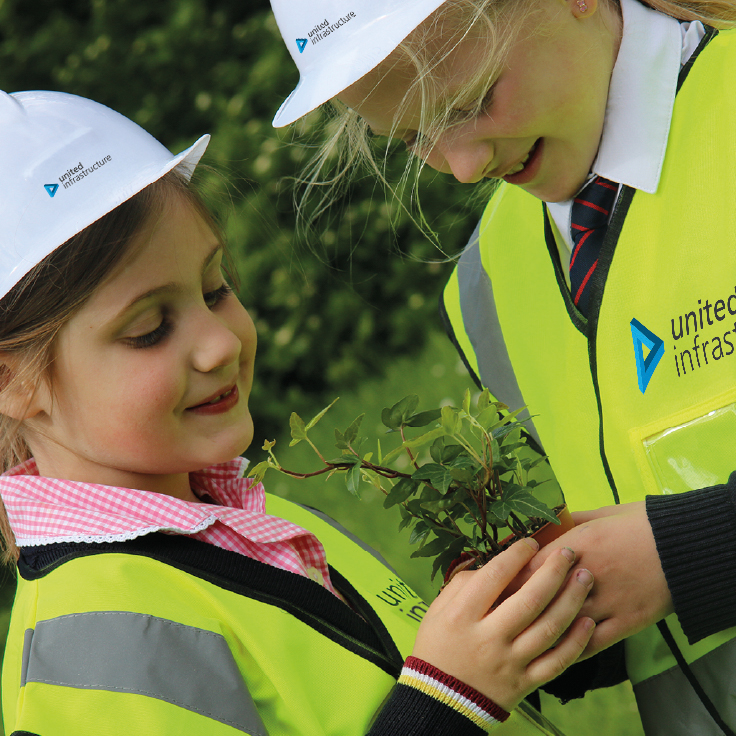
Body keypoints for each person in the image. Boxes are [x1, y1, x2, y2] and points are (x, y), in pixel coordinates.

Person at [0, 89, 596, 736]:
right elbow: (436, 702)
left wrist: (504, 628)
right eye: (149, 329)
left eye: (214, 289)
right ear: (12, 383)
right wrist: (448, 700)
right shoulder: (89, 652)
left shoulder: (256, 519)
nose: (220, 343)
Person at [268, 0, 736, 734]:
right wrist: (548, 606)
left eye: (474, 101)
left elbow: (674, 558)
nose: (461, 167)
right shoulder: (486, 286)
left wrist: (686, 554)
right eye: (415, 136)